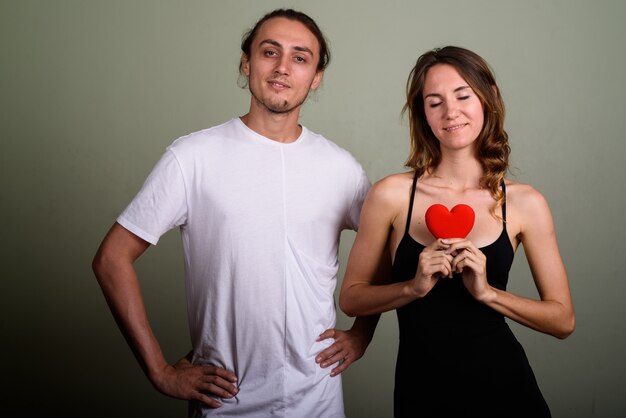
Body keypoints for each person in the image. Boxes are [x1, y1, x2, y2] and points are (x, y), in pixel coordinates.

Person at [92, 9, 378, 417]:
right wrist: (160, 371)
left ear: (316, 77)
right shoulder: (192, 157)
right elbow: (111, 259)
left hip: (317, 399)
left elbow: (385, 250)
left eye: (300, 57)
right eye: (269, 52)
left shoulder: (342, 169)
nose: (282, 67)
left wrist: (362, 334)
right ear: (246, 62)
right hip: (224, 401)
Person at [339, 46, 575, 417]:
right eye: (435, 102)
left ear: (488, 98)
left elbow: (563, 320)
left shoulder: (525, 203)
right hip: (421, 394)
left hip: (507, 393)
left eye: (463, 95)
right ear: (423, 115)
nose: (451, 112)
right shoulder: (391, 195)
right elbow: (351, 299)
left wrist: (488, 293)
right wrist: (412, 287)